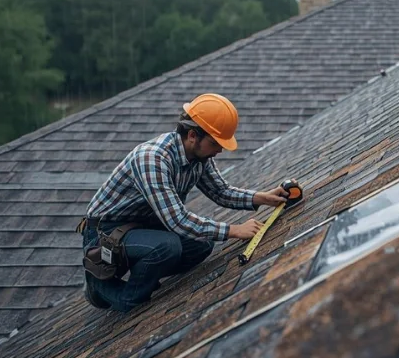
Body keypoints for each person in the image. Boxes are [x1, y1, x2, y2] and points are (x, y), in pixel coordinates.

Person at [78, 93, 295, 312]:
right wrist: (234, 230)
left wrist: (263, 197)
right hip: (106, 232)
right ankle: (107, 290)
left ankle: (142, 269)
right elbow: (178, 220)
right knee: (168, 247)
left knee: (202, 244)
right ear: (192, 135)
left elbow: (221, 192)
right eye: (214, 143)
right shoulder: (152, 158)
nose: (219, 150)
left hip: (146, 225)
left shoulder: (199, 157)